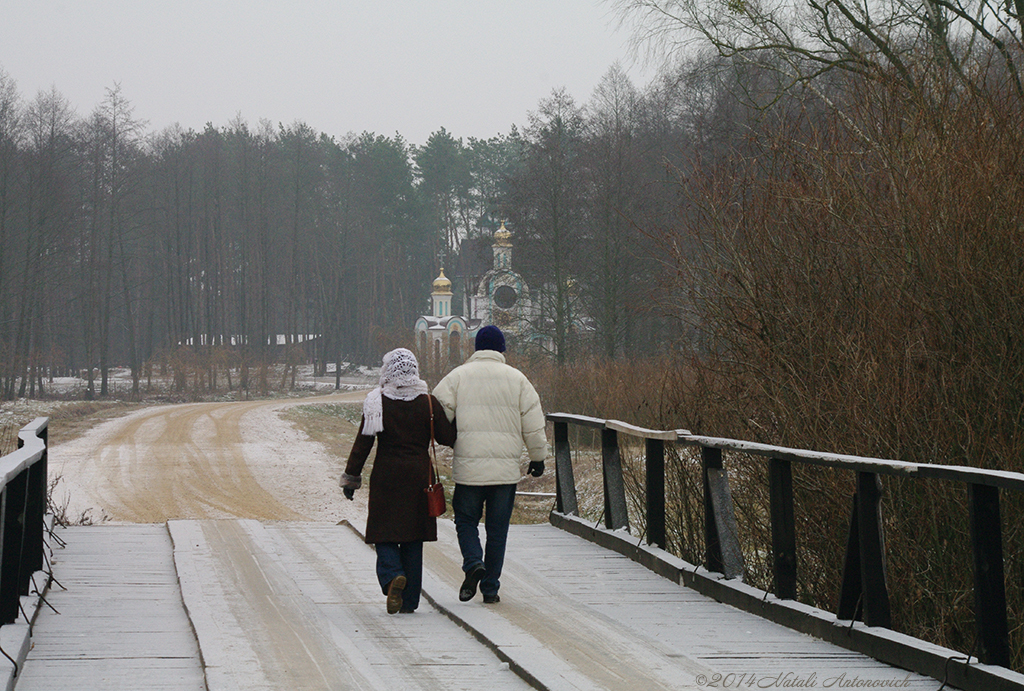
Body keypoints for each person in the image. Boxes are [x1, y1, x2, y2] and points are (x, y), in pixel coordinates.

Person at [432, 325, 549, 604]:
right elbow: (533, 423)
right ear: (502, 350)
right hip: (504, 472)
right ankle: (491, 588)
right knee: (498, 530)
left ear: (475, 349)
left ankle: (473, 563)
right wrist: (538, 457)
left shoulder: (457, 377)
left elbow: (436, 413)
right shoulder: (518, 379)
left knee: (465, 521)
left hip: (469, 469)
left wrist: (451, 438)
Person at [340, 348, 456, 614]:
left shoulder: (377, 402)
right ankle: (410, 601)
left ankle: (393, 575)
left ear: (389, 371)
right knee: (414, 538)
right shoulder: (428, 402)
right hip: (419, 476)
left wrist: (351, 478)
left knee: (385, 532)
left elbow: (363, 443)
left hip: (387, 476)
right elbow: (447, 437)